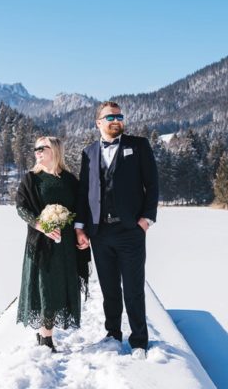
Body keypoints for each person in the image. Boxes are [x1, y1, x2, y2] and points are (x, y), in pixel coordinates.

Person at [75, 101, 159, 360]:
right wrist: (80, 227)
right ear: (98, 122)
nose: (116, 120)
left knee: (133, 288)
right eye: (110, 117)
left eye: (119, 116)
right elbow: (83, 192)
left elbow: (152, 184)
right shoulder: (88, 152)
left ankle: (139, 341)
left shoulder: (139, 145)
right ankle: (112, 335)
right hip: (99, 233)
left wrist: (146, 219)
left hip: (130, 231)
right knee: (109, 288)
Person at [16, 136, 90, 353]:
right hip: (41, 243)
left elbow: (80, 208)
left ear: (55, 150)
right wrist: (40, 225)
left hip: (66, 244)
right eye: (36, 148)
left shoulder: (70, 180)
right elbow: (21, 207)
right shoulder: (31, 179)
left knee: (60, 286)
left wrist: (81, 233)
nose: (38, 151)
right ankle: (46, 338)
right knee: (44, 287)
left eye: (43, 148)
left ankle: (43, 332)